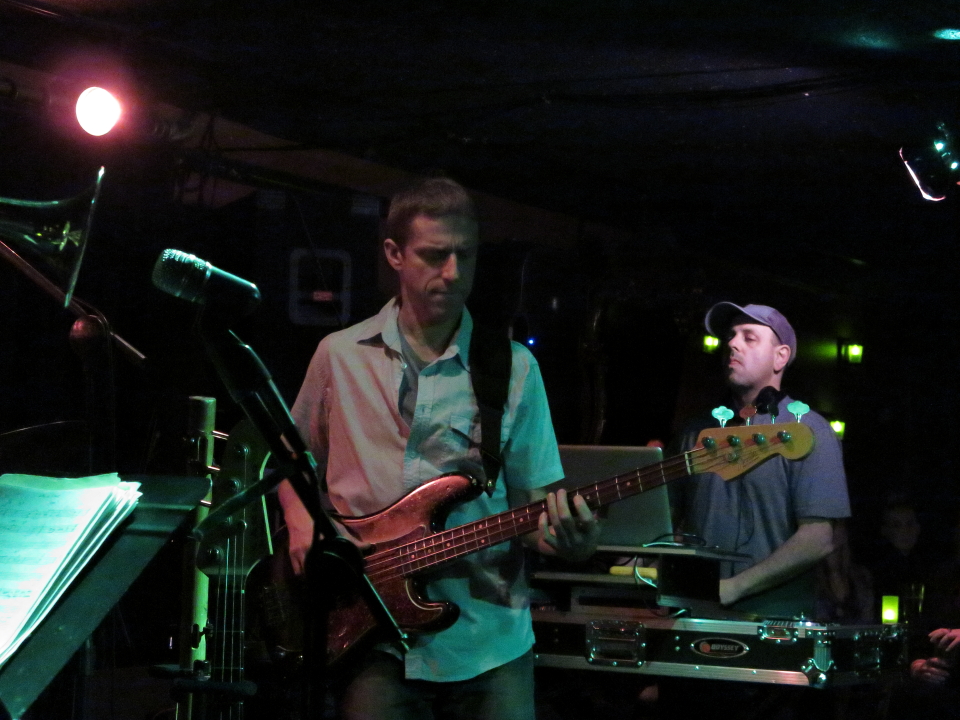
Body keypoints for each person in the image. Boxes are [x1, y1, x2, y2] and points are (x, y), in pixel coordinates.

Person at [277, 177, 600, 720]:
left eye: (464, 256)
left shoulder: (515, 367)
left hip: (487, 639)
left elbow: (535, 508)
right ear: (394, 255)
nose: (452, 272)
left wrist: (572, 540)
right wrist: (301, 524)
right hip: (370, 632)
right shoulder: (339, 356)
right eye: (434, 255)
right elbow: (289, 460)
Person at [672, 302, 851, 618]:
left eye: (749, 337)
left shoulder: (811, 429)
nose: (732, 344)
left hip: (776, 618)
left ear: (780, 356)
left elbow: (819, 538)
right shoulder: (695, 431)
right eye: (731, 336)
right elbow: (667, 521)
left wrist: (734, 587)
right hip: (695, 612)